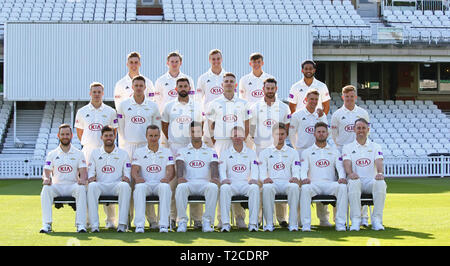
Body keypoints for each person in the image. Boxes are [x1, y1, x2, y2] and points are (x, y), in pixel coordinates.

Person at [116, 75, 161, 227]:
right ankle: (127, 219)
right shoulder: (123, 105)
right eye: (136, 85)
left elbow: (156, 127)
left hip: (146, 146)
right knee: (128, 182)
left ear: (145, 87)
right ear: (132, 87)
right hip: (129, 146)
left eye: (141, 85)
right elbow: (121, 127)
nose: (139, 88)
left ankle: (152, 220)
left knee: (145, 181)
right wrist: (127, 140)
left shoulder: (153, 106)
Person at [161, 77, 205, 229]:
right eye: (180, 86)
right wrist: (174, 140)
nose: (183, 88)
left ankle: (197, 219)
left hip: (193, 148)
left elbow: (200, 125)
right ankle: (173, 218)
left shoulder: (197, 106)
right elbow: (164, 126)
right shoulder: (168, 106)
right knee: (174, 184)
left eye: (185, 85)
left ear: (190, 87)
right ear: (176, 88)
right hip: (175, 147)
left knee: (195, 180)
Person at [75, 81, 118, 229]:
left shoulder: (111, 111)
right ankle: (88, 220)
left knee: (109, 182)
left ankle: (111, 220)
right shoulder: (82, 111)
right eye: (94, 92)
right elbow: (80, 133)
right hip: (88, 151)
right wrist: (90, 145)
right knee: (87, 186)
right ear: (90, 93)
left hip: (106, 151)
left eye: (99, 92)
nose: (97, 94)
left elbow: (114, 132)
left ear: (103, 93)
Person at [249, 77, 291, 228]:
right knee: (262, 184)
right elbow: (252, 130)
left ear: (276, 89)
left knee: (280, 178)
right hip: (260, 149)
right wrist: (259, 143)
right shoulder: (255, 107)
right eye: (268, 88)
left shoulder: (284, 107)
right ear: (263, 89)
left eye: (272, 88)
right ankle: (260, 218)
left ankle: (281, 218)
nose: (270, 91)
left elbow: (286, 127)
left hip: (278, 149)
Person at [331, 85, 370, 226]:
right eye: (346, 96)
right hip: (342, 152)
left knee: (360, 181)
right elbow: (334, 136)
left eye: (351, 96)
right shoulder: (337, 114)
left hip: (359, 152)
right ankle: (338, 218)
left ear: (355, 96)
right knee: (341, 184)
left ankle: (363, 217)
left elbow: (366, 132)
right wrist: (343, 148)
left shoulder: (362, 113)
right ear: (343, 97)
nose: (349, 99)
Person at [299, 122, 348, 232]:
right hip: (314, 184)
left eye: (323, 132)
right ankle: (306, 224)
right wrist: (303, 178)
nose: (321, 134)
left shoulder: (334, 151)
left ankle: (340, 223)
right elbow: (303, 169)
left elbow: (340, 167)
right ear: (314, 134)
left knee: (343, 187)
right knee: (305, 188)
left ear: (327, 134)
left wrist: (341, 177)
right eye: (319, 132)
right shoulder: (307, 152)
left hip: (330, 184)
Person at [40, 124, 88, 233]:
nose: (65, 136)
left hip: (72, 186)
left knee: (81, 189)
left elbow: (83, 170)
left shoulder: (79, 153)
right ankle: (46, 224)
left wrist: (83, 179)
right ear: (58, 135)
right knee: (46, 189)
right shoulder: (52, 154)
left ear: (71, 135)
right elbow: (46, 170)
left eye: (67, 134)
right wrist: (46, 178)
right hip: (57, 186)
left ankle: (81, 225)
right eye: (62, 134)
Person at [175, 121, 220, 232]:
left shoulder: (211, 151)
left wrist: (214, 177)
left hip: (204, 183)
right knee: (180, 187)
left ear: (202, 133)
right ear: (189, 133)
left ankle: (207, 222)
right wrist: (180, 177)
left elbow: (214, 166)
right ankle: (182, 221)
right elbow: (179, 165)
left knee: (213, 187)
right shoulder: (182, 151)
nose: (196, 134)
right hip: (189, 183)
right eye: (193, 132)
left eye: (198, 132)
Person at [343, 118, 387, 231]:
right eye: (358, 128)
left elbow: (379, 161)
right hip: (356, 180)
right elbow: (347, 163)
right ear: (354, 129)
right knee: (353, 182)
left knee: (381, 183)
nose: (361, 130)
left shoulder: (376, 146)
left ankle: (377, 220)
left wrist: (380, 173)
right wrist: (350, 173)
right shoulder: (347, 147)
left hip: (369, 181)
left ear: (368, 129)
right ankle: (356, 221)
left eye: (363, 128)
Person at [87, 126, 132, 233]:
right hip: (101, 185)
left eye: (111, 135)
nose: (109, 138)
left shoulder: (123, 153)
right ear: (101, 137)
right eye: (106, 135)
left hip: (116, 185)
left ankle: (122, 224)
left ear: (114, 136)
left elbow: (127, 171)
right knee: (92, 186)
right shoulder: (95, 153)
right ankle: (94, 225)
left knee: (125, 186)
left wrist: (126, 177)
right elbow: (91, 171)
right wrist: (91, 178)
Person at [131, 125, 174, 233]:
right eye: (151, 136)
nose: (153, 138)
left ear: (159, 136)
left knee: (165, 187)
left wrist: (167, 178)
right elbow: (134, 170)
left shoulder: (167, 151)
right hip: (146, 184)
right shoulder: (139, 152)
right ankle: (139, 225)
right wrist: (137, 178)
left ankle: (163, 225)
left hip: (160, 183)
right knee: (139, 188)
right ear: (146, 136)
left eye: (155, 135)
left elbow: (171, 170)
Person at [259, 123, 301, 232]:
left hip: (287, 182)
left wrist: (295, 177)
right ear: (273, 135)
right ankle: (268, 223)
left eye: (282, 134)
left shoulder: (293, 152)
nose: (280, 136)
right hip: (273, 183)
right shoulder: (265, 152)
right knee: (267, 188)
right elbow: (262, 170)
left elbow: (296, 168)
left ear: (286, 135)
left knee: (294, 187)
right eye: (277, 134)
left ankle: (293, 224)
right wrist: (264, 178)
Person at [219, 126, 260, 232]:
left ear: (244, 137)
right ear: (231, 137)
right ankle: (225, 224)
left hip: (245, 183)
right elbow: (222, 169)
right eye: (235, 135)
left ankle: (253, 224)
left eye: (240, 135)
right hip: (231, 184)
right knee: (224, 188)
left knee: (255, 188)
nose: (237, 138)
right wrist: (224, 179)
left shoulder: (251, 153)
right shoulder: (225, 153)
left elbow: (255, 168)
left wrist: (254, 179)